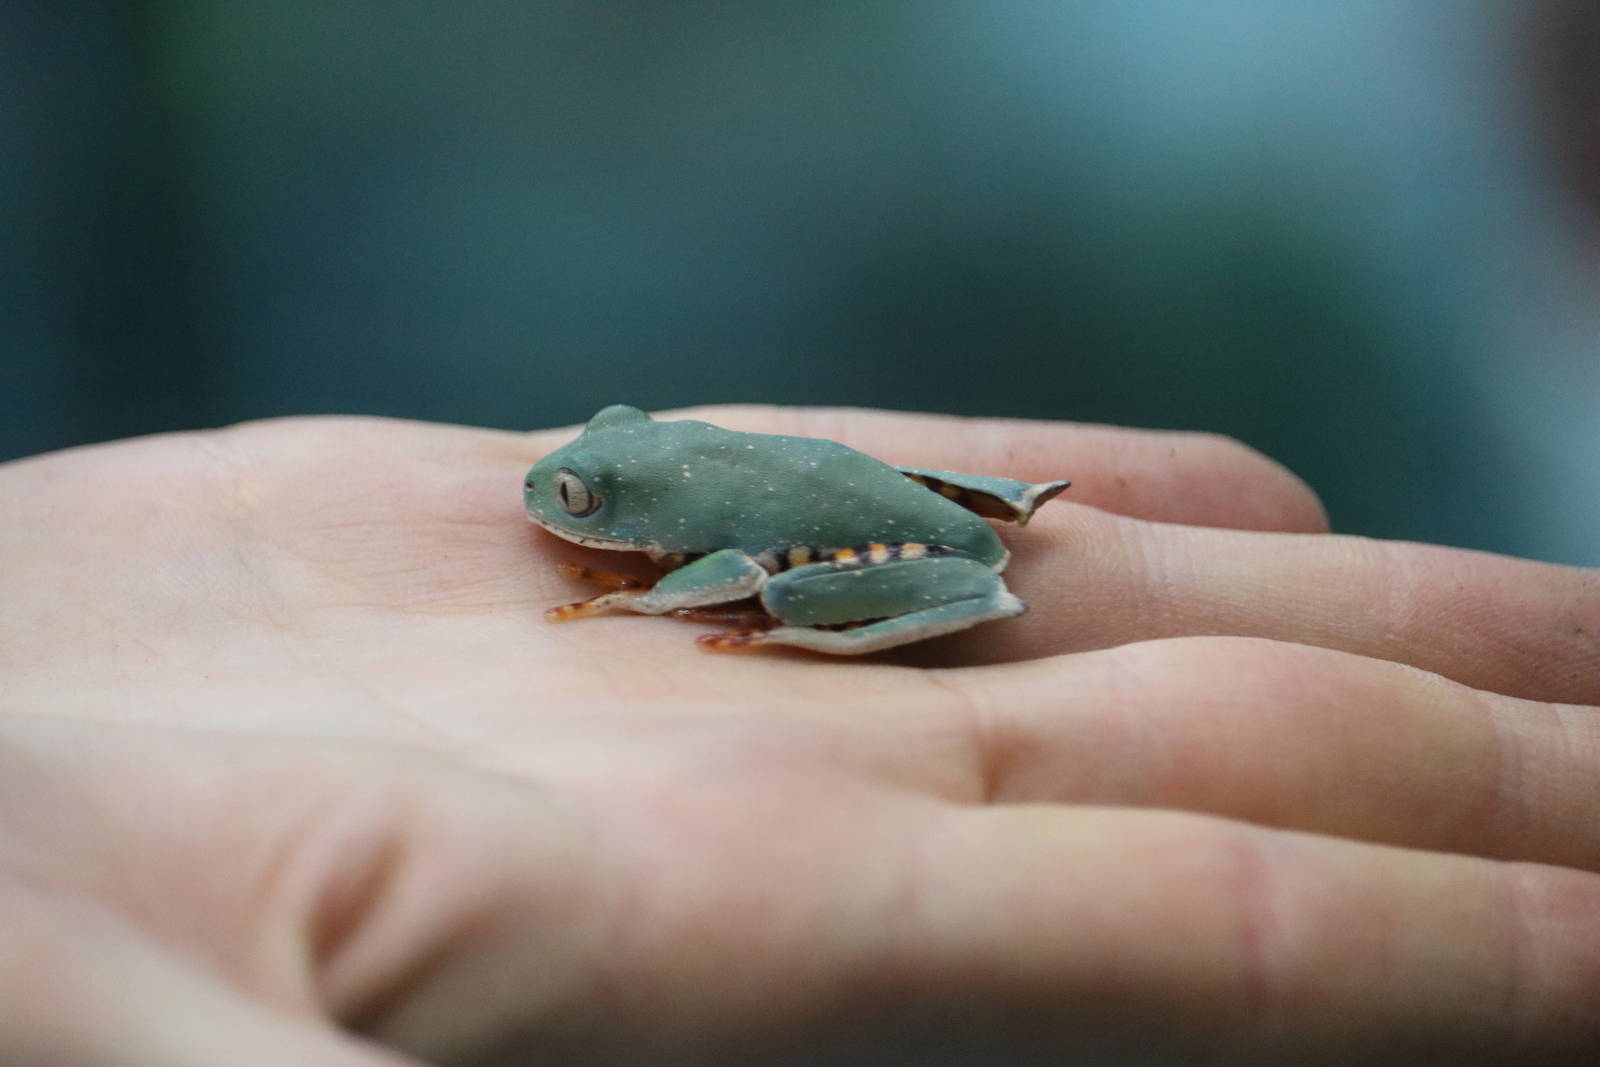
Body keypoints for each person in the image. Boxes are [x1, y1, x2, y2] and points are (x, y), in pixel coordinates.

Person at [0, 407, 1594, 1065]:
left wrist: (652, 607)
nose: (559, 504)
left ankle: (908, 586)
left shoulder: (661, 534)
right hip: (924, 497)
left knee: (769, 586)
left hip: (899, 554)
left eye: (585, 500)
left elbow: (722, 560)